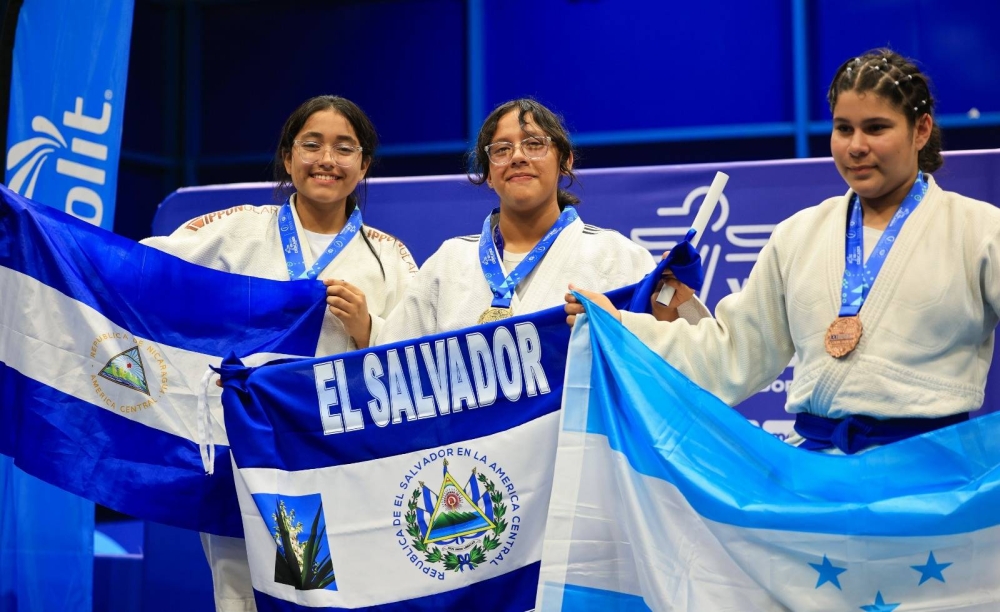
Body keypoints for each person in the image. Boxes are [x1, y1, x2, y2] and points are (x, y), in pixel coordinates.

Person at [567, 48, 1000, 455]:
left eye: (876, 128)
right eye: (843, 128)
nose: (856, 146)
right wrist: (620, 326)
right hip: (818, 474)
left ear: (921, 129)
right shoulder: (799, 235)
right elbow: (732, 353)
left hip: (937, 481)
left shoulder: (979, 230)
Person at [143, 95, 417, 611]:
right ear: (288, 158)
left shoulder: (390, 258)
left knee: (317, 593)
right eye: (311, 145)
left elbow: (421, 360)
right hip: (241, 450)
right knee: (238, 592)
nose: (327, 160)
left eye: (344, 148)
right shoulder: (237, 231)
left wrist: (369, 329)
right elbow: (148, 274)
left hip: (335, 458)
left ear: (364, 166)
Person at [377, 98, 706, 343]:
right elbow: (394, 367)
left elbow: (669, 362)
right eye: (502, 149)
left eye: (534, 144)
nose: (518, 156)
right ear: (489, 174)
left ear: (565, 162)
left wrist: (665, 305)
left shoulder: (616, 256)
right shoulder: (448, 263)